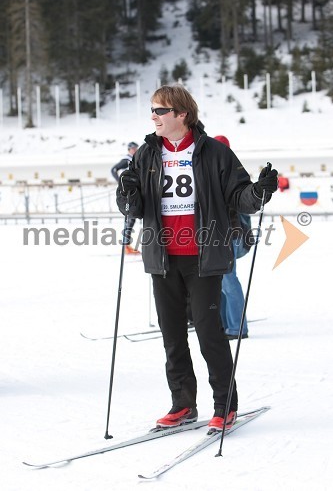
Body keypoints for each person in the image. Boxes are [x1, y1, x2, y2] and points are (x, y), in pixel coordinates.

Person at [116, 85, 278, 431]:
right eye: (153, 110)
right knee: (172, 335)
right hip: (163, 258)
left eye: (160, 110)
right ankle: (182, 404)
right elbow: (137, 206)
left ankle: (225, 405)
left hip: (203, 256)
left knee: (209, 333)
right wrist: (126, 193)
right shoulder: (146, 154)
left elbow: (240, 197)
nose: (153, 117)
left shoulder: (215, 153)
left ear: (181, 114)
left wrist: (259, 191)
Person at [214, 135, 250, 340]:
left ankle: (237, 327)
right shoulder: (218, 169)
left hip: (228, 233)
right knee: (220, 281)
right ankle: (228, 324)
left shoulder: (228, 172)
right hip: (218, 234)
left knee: (228, 280)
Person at [111, 142, 140, 255]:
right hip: (128, 192)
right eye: (133, 148)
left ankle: (127, 244)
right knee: (130, 218)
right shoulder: (127, 160)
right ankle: (126, 244)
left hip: (134, 190)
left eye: (136, 148)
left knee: (132, 218)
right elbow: (113, 170)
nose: (135, 150)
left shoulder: (134, 159)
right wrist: (120, 182)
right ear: (129, 149)